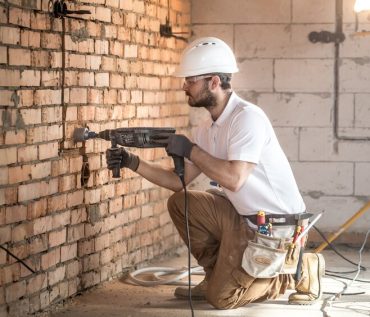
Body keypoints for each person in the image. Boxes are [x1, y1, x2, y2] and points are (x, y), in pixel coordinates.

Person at [106, 37, 325, 309]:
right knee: (181, 202)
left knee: (222, 299)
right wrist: (133, 162)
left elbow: (235, 179)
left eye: (190, 80)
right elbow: (178, 182)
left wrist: (190, 150)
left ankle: (297, 267)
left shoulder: (247, 118)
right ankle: (216, 274)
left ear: (213, 82)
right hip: (241, 218)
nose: (184, 86)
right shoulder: (207, 128)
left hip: (276, 226)